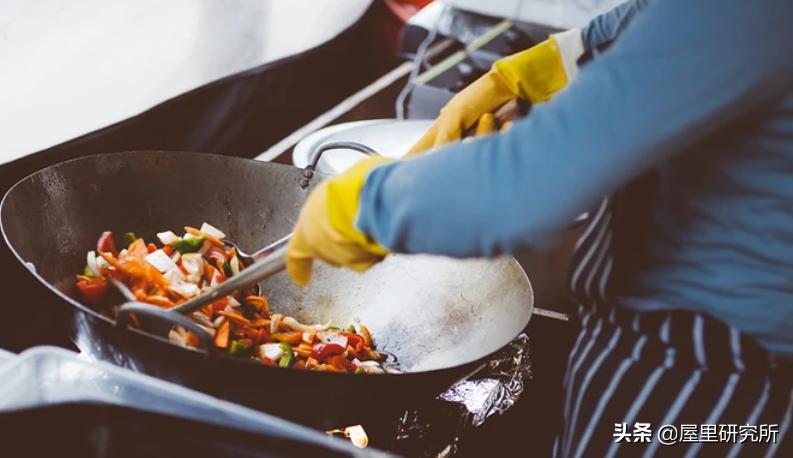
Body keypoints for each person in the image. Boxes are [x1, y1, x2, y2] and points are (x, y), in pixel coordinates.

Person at [286, 0, 793, 455]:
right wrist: (556, 62)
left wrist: (369, 204)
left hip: (702, 380)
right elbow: (665, 19)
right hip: (693, 357)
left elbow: (530, 181)